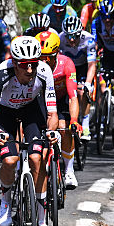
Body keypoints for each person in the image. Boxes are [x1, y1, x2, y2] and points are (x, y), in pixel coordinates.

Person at [0, 35, 59, 226]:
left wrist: (52, 131)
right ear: (15, 63)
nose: (30, 70)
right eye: (25, 65)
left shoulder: (44, 71)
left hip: (32, 110)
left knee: (36, 158)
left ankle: (42, 221)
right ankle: (6, 202)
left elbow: (52, 114)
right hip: (6, 113)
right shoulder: (1, 74)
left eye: (34, 64)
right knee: (10, 160)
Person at [38, 30, 80, 189]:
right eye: (40, 57)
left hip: (60, 99)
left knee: (65, 128)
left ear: (56, 54)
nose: (44, 61)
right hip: (40, 100)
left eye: (48, 58)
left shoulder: (66, 64)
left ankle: (69, 171)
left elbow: (72, 96)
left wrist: (74, 120)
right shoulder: (33, 67)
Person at [59, 16, 97, 139]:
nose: (71, 40)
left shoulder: (88, 39)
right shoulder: (60, 39)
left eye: (75, 36)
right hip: (66, 68)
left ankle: (85, 124)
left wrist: (87, 83)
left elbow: (92, 65)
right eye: (68, 36)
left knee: (82, 92)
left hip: (83, 68)